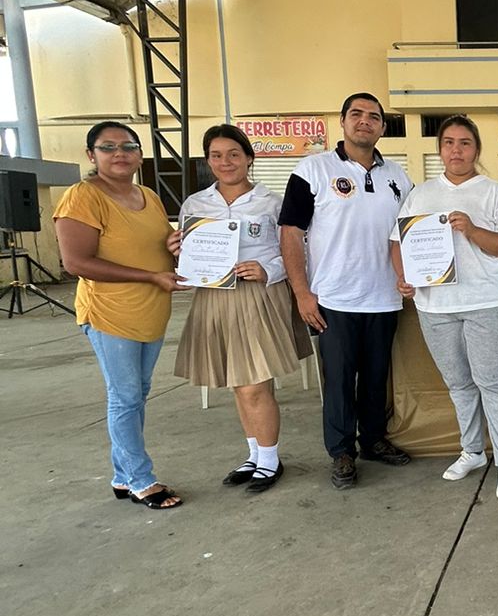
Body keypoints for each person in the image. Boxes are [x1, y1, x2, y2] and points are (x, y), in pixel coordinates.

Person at [279, 92, 413, 489]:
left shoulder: (399, 177)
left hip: (384, 297)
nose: (364, 121)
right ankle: (341, 452)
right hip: (333, 299)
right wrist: (302, 293)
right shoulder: (313, 169)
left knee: (376, 377)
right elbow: (290, 233)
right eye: (356, 114)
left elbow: (410, 234)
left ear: (383, 127)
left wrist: (412, 276)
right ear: (342, 121)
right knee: (338, 380)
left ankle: (372, 440)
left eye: (373, 116)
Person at [391, 116, 498, 500]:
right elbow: (398, 242)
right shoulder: (420, 195)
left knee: (494, 384)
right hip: (436, 305)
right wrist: (404, 277)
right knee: (459, 384)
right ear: (440, 149)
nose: (456, 150)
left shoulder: (495, 194)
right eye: (449, 142)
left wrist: (472, 230)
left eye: (465, 142)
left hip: (488, 302)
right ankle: (472, 451)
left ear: (476, 149)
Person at [171, 124, 311, 494]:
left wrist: (268, 269)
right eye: (216, 155)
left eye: (234, 154)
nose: (226, 162)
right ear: (208, 161)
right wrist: (178, 253)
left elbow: (298, 250)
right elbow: (189, 259)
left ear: (249, 158)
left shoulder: (272, 202)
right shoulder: (195, 205)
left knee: (254, 385)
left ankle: (270, 460)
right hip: (214, 298)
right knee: (238, 383)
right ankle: (255, 455)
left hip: (258, 297)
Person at [52, 121, 185, 508]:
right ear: (91, 155)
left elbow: (153, 246)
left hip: (151, 310)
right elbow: (76, 262)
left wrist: (175, 248)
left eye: (128, 146)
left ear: (140, 155)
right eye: (108, 147)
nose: (119, 154)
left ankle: (122, 477)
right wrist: (150, 276)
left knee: (135, 395)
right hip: (111, 314)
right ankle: (142, 480)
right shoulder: (82, 197)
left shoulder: (149, 196)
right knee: (125, 397)